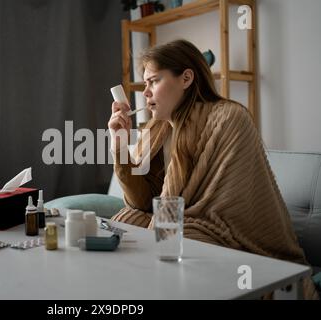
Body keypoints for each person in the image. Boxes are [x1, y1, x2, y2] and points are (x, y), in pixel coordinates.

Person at [107, 39, 318, 299]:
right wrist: (120, 145)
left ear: (186, 78)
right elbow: (139, 202)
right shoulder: (155, 130)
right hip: (180, 223)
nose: (146, 92)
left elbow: (229, 206)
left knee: (177, 238)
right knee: (126, 221)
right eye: (145, 83)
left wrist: (165, 224)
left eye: (154, 81)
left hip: (223, 232)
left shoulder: (229, 117)